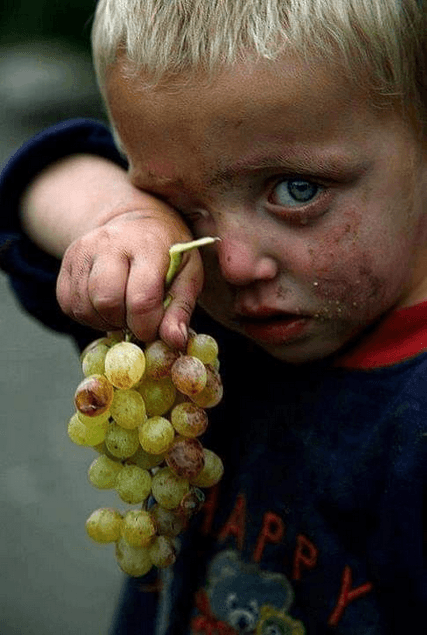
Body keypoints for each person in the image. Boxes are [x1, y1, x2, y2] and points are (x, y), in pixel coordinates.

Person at [1, 1, 426, 632]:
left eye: (296, 189)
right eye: (178, 204)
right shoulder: (184, 319)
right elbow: (43, 175)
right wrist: (124, 221)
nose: (229, 263)